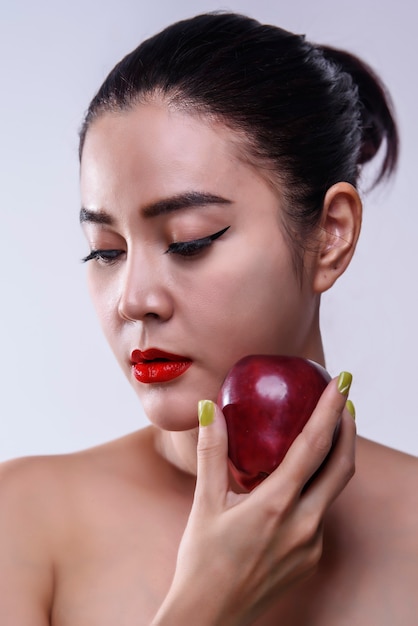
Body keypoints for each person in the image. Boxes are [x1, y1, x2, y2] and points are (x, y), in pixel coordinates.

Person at [0, 11, 417, 625]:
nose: (133, 298)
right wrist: (205, 605)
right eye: (105, 251)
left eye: (190, 240)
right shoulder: (22, 522)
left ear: (330, 235)